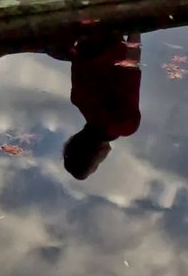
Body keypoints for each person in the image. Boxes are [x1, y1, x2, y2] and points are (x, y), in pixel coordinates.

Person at [53, 33, 143, 180]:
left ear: (96, 154)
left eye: (97, 164)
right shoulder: (78, 100)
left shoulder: (124, 124)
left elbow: (131, 65)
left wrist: (136, 30)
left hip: (111, 33)